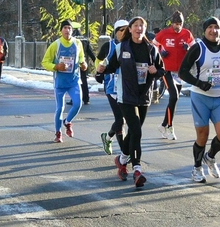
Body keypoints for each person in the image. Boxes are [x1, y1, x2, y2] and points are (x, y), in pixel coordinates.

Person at [97, 16, 165, 188]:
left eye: (142, 26)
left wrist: (155, 71)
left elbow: (162, 70)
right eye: (135, 25)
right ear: (130, 29)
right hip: (126, 96)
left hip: (143, 96)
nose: (139, 28)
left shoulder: (151, 49)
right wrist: (100, 71)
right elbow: (110, 67)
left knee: (135, 131)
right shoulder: (121, 48)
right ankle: (137, 170)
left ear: (145, 29)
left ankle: (121, 160)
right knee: (136, 130)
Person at [179, 17, 220, 183]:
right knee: (202, 136)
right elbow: (183, 72)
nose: (213, 30)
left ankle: (210, 157)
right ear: (205, 30)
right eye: (210, 27)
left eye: (216, 27)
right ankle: (197, 168)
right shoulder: (197, 48)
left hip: (219, 97)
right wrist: (199, 83)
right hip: (200, 97)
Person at [41, 19, 88, 143]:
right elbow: (45, 62)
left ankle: (67, 122)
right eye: (65, 28)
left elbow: (82, 58)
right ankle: (58, 133)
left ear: (72, 30)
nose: (67, 30)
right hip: (60, 82)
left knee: (78, 104)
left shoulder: (78, 43)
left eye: (69, 28)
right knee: (60, 108)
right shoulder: (56, 44)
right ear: (61, 30)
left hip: (74, 81)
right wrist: (56, 67)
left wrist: (84, 65)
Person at [153, 10, 195, 140]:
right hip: (167, 70)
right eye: (176, 23)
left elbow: (195, 49)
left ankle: (163, 125)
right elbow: (153, 45)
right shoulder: (164, 33)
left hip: (180, 72)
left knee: (174, 100)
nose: (178, 26)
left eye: (180, 23)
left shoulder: (187, 33)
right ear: (172, 23)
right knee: (174, 96)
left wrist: (188, 49)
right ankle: (170, 127)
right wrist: (161, 51)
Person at [97, 19, 129, 155]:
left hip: (126, 87)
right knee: (120, 120)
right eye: (121, 30)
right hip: (112, 87)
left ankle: (108, 136)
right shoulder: (108, 46)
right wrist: (98, 72)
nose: (124, 33)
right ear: (116, 32)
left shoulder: (131, 46)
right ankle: (124, 153)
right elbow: (99, 61)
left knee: (124, 120)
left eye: (127, 30)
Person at [66, 23, 96, 105]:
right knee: (84, 81)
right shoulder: (85, 39)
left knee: (74, 82)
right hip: (83, 64)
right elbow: (90, 53)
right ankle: (86, 98)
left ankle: (74, 99)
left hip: (73, 64)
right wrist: (96, 62)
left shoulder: (71, 39)